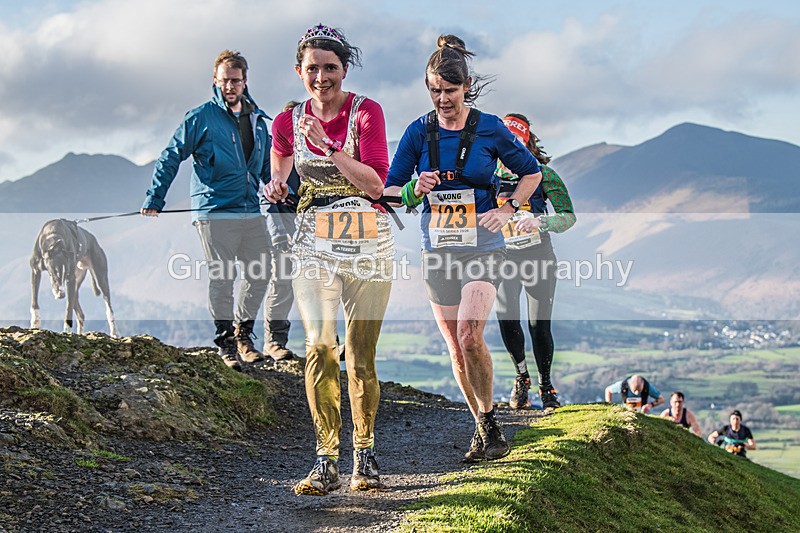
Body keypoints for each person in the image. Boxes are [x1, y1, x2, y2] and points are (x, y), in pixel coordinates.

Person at [385, 35, 542, 463]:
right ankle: (482, 424)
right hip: (437, 249)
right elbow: (391, 192)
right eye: (434, 91)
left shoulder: (491, 127)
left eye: (450, 92)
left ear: (466, 86)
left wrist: (508, 208)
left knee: (470, 333)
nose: (442, 100)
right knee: (455, 346)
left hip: (484, 246)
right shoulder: (418, 131)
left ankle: (490, 425)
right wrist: (415, 189)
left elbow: (532, 174)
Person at [264, 23, 394, 496]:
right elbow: (279, 169)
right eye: (312, 68)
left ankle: (365, 454)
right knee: (319, 346)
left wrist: (329, 146)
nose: (322, 77)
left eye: (331, 68)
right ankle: (325, 460)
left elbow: (377, 185)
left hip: (368, 240)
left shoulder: (366, 112)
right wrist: (276, 185)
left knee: (359, 354)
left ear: (345, 69)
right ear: (299, 71)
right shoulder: (286, 120)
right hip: (313, 242)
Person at [141, 50, 271, 371]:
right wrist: (155, 198)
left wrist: (284, 196)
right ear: (215, 80)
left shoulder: (258, 120)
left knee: (263, 269)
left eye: (236, 80)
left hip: (249, 208)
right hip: (213, 210)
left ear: (245, 81)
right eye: (225, 80)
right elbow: (171, 156)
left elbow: (267, 169)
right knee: (223, 276)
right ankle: (226, 343)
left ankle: (244, 336)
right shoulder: (200, 118)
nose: (231, 86)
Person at [493, 114, 575, 410]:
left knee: (539, 325)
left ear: (527, 142)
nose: (513, 145)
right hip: (503, 258)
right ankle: (521, 377)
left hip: (538, 257)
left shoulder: (544, 174)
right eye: (507, 139)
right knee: (507, 319)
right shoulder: (489, 172)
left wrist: (541, 221)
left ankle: (546, 386)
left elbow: (568, 216)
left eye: (519, 140)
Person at [262, 101, 302, 361]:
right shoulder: (272, 153)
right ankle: (274, 342)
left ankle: (328, 341)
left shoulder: (318, 154)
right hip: (279, 219)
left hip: (310, 222)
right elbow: (263, 194)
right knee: (283, 279)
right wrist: (278, 235)